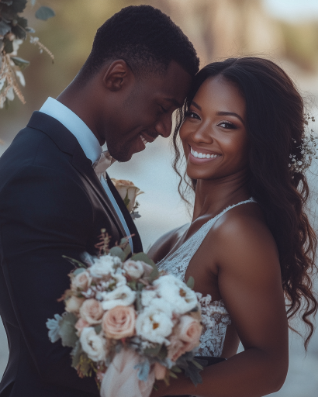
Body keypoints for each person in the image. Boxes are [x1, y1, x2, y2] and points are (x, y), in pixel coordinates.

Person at [0, 5, 199, 397]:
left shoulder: (73, 162)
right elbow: (58, 357)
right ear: (117, 77)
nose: (164, 128)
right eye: (162, 108)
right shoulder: (38, 175)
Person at [148, 57, 318, 397]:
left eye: (226, 125)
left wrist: (147, 390)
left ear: (260, 140)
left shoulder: (238, 230)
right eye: (194, 115)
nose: (199, 133)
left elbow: (269, 368)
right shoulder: (187, 232)